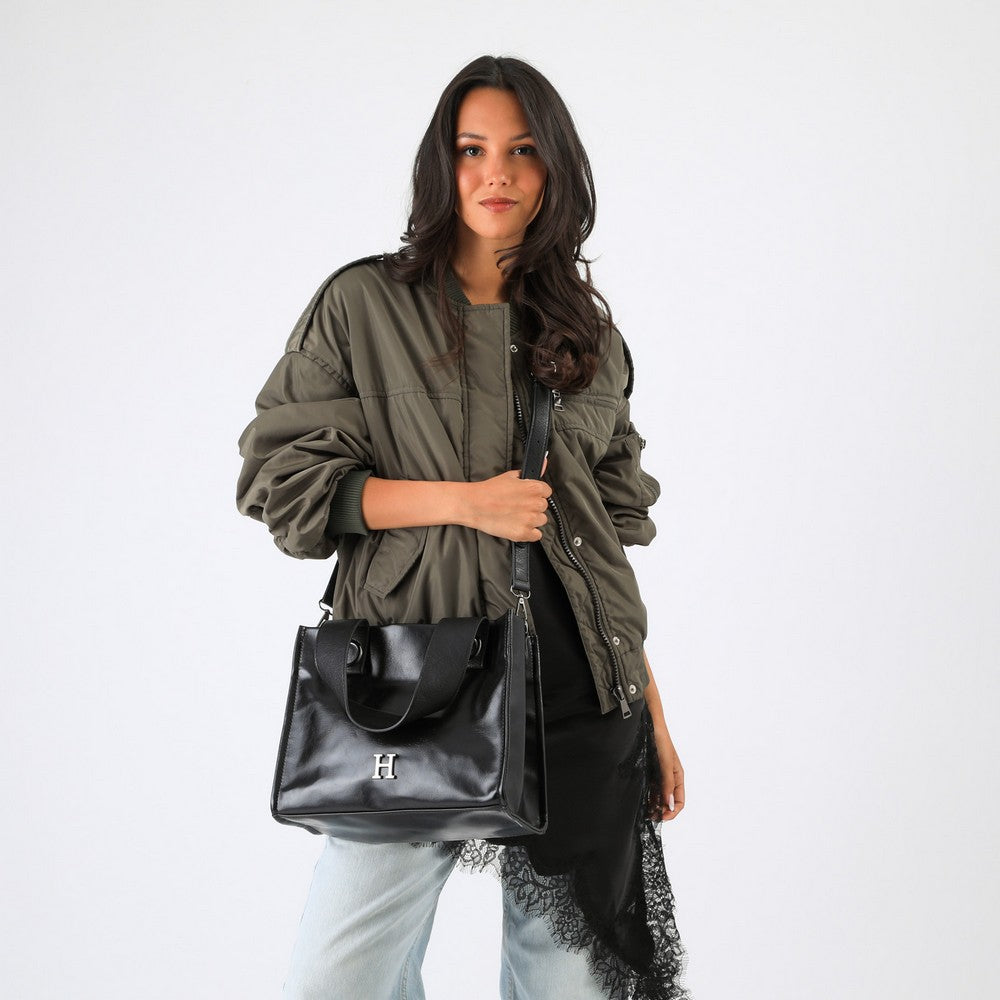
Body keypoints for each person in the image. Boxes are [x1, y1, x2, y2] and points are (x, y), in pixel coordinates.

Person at [236, 54, 691, 1000]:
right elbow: (283, 483)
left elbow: (603, 542)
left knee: (567, 985)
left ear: (555, 168)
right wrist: (462, 502)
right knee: (338, 980)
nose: (497, 174)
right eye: (472, 149)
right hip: (414, 685)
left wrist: (649, 707)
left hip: (580, 701)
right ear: (440, 164)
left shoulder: (588, 334)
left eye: (523, 151)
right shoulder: (365, 305)